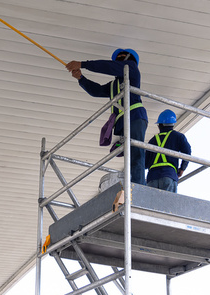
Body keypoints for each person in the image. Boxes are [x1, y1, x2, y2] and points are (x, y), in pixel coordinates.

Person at [66, 48, 148, 185]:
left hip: (135, 116)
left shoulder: (132, 69)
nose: (119, 60)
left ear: (130, 59)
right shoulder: (115, 85)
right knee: (130, 155)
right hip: (126, 120)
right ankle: (133, 185)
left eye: (122, 57)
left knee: (136, 154)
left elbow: (109, 66)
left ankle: (138, 187)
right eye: (118, 58)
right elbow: (96, 91)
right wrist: (81, 78)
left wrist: (83, 64)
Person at [145, 109, 191, 193]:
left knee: (152, 205)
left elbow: (145, 163)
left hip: (152, 177)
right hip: (169, 175)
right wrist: (182, 168)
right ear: (173, 124)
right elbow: (187, 153)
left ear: (159, 125)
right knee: (167, 205)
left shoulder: (152, 140)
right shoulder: (178, 137)